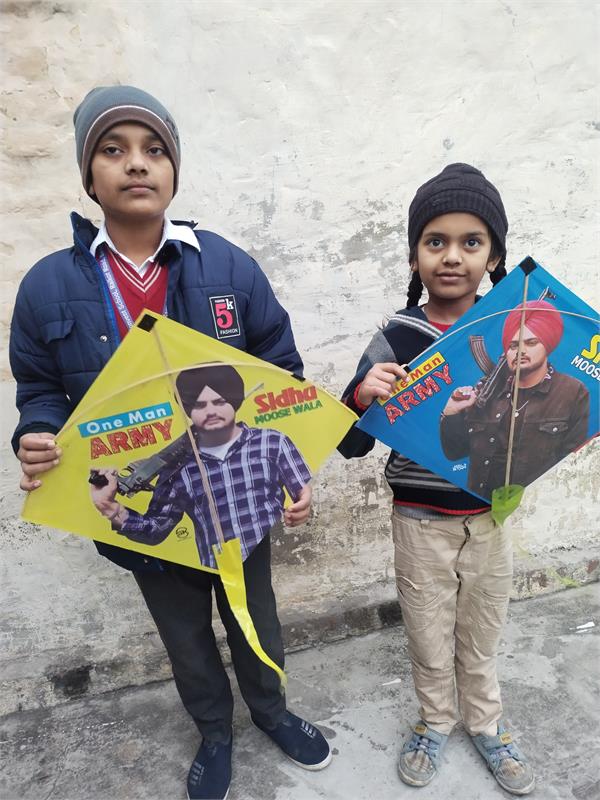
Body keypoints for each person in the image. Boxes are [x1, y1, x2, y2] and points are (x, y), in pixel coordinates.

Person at [10, 85, 330, 800]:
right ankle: (214, 732)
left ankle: (272, 712)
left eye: (155, 150)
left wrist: (290, 466)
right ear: (88, 175)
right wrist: (35, 433)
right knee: (184, 636)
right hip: (162, 505)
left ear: (174, 170)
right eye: (112, 150)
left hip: (239, 501)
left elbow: (281, 370)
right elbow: (39, 388)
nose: (136, 164)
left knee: (255, 618)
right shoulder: (48, 286)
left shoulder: (227, 267)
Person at [339, 164, 535, 795]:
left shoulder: (515, 332)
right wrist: (360, 395)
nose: (452, 256)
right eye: (435, 241)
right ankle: (435, 721)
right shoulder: (397, 337)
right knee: (428, 633)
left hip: (490, 516)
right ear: (414, 255)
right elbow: (350, 444)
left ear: (494, 256)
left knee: (482, 632)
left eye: (471, 242)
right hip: (419, 523)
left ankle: (487, 723)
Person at [90, 364, 312, 569]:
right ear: (187, 410)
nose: (211, 411)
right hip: (216, 570)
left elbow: (301, 490)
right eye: (199, 405)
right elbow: (155, 530)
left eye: (220, 401)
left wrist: (304, 501)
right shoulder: (177, 469)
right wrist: (109, 507)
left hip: (268, 564)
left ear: (235, 400)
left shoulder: (272, 442)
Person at [440, 300, 590, 496]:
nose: (520, 351)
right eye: (513, 345)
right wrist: (451, 413)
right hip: (478, 504)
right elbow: (454, 452)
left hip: (532, 506)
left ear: (548, 345)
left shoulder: (572, 392)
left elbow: (572, 464)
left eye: (531, 342)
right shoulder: (486, 389)